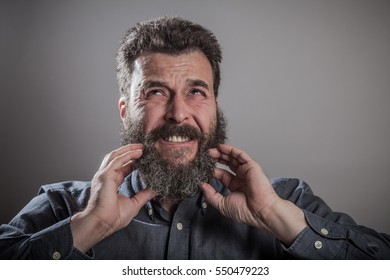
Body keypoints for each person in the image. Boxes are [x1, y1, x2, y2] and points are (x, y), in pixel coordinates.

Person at [0, 16, 389, 260]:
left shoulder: (288, 202)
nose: (178, 113)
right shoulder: (61, 206)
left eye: (196, 92)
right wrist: (89, 227)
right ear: (125, 110)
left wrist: (281, 221)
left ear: (214, 107)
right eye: (155, 92)